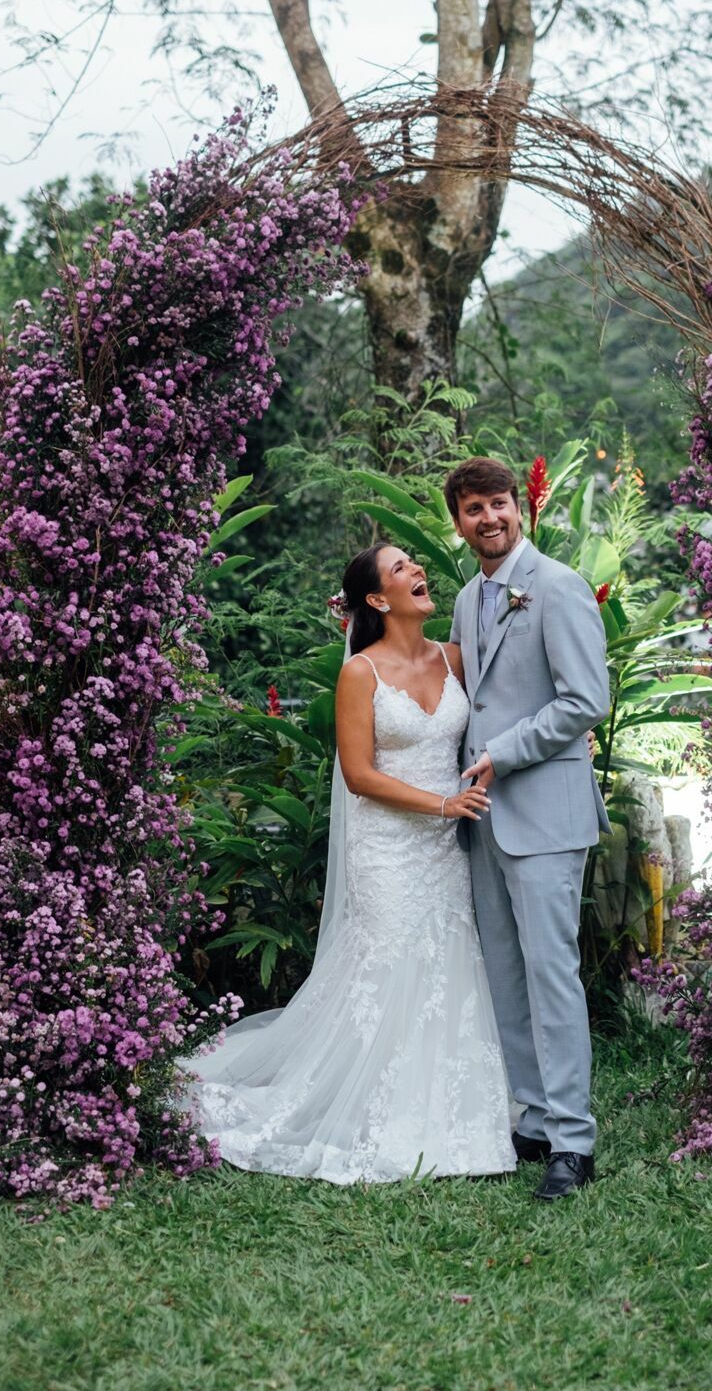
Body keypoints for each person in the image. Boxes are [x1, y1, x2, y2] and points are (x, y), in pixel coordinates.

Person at [180, 542, 516, 1183]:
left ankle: (447, 1109)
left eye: (415, 563)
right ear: (375, 599)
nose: (417, 571)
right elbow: (359, 775)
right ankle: (371, 1106)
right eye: (400, 569)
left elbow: (509, 704)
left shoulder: (455, 659)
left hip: (441, 851)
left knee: (444, 964)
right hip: (386, 845)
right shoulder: (360, 673)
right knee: (388, 967)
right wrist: (443, 804)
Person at [446, 456, 611, 1201]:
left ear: (521, 509)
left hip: (544, 813)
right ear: (458, 523)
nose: (490, 517)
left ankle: (574, 1142)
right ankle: (535, 1119)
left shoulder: (557, 586)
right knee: (505, 975)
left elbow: (585, 700)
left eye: (500, 503)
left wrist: (500, 754)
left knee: (550, 976)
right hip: (483, 821)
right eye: (474, 508)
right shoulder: (462, 598)